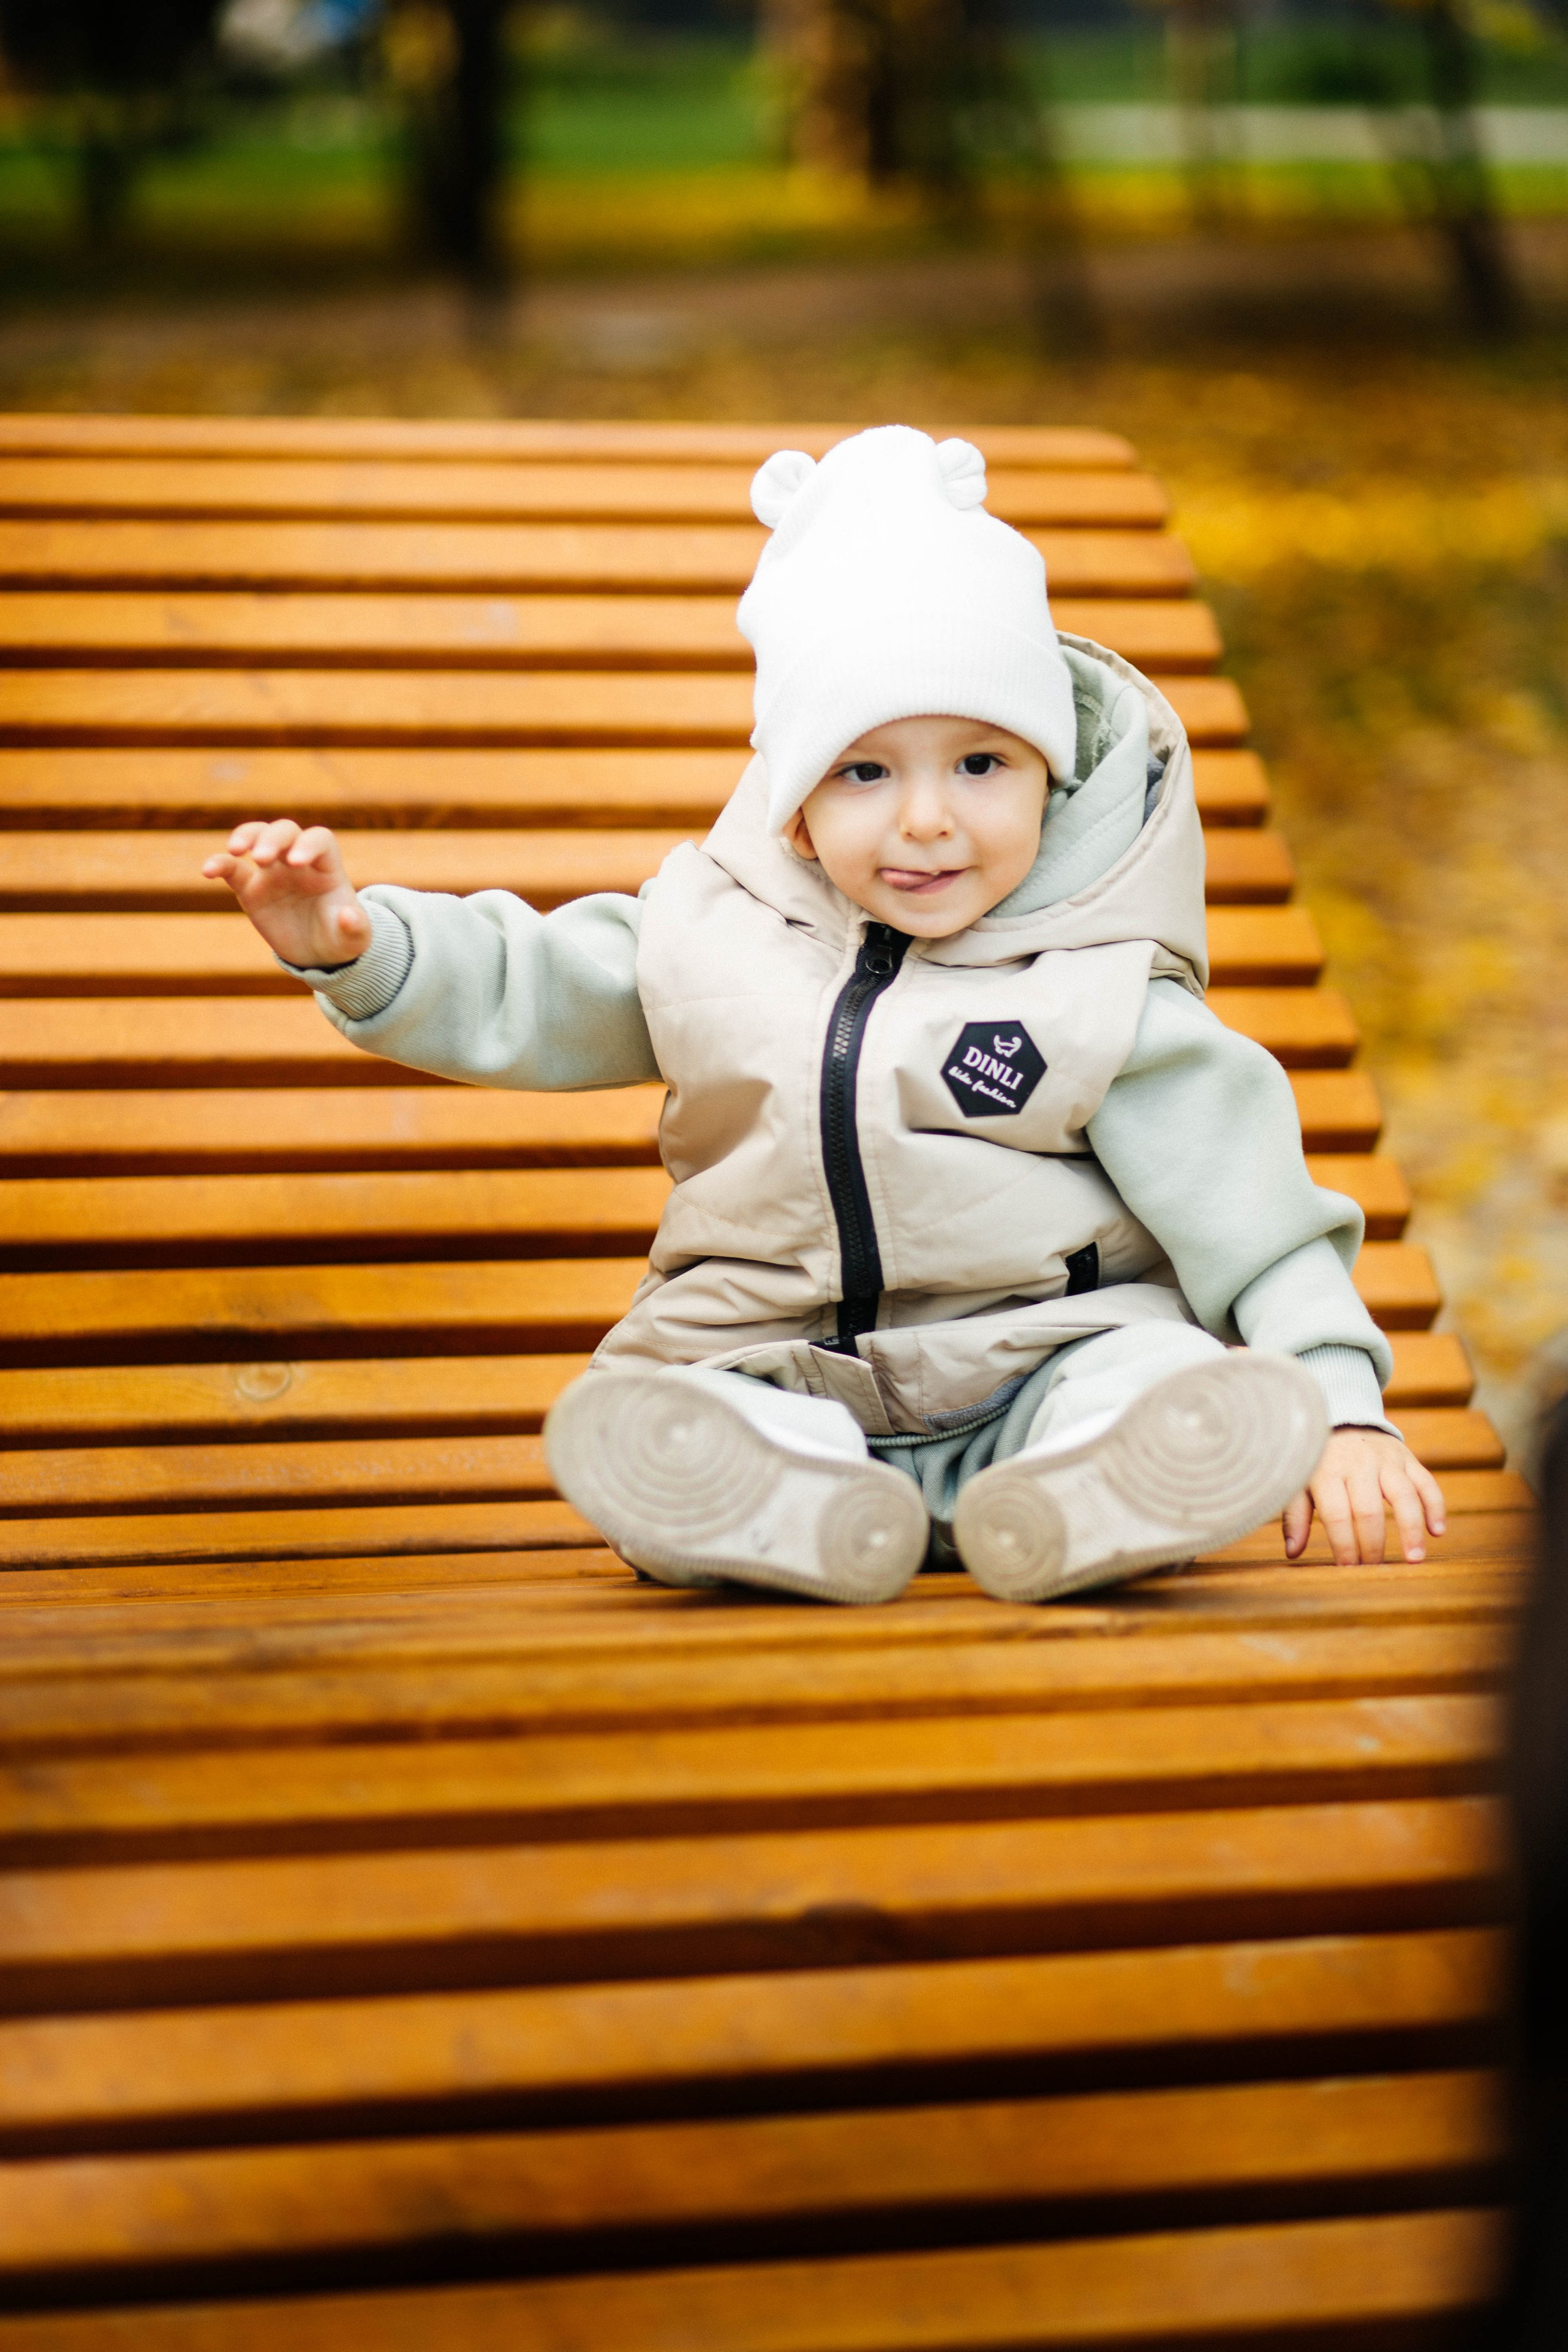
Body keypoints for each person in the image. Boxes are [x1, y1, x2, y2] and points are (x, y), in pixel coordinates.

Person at [203, 424, 1444, 1606]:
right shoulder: (701, 936)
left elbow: (1255, 1220)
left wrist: (1337, 1406)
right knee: (665, 1427)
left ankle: (1093, 1491)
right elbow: (530, 982)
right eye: (863, 769)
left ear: (1048, 773)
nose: (923, 818)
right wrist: (364, 950)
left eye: (979, 762)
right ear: (792, 803)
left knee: (1152, 1370)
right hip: (777, 1373)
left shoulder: (1104, 988)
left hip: (1044, 1363)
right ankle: (787, 1509)